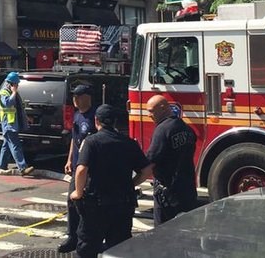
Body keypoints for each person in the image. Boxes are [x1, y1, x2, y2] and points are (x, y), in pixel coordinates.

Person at [69, 104, 153, 257]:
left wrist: (78, 192)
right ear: (115, 121)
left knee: (88, 247)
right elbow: (147, 170)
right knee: (119, 249)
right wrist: (131, 184)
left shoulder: (91, 142)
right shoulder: (129, 143)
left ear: (96, 121)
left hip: (96, 206)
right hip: (123, 204)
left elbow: (81, 170)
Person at [145, 94, 198, 226]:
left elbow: (150, 161)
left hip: (167, 194)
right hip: (188, 190)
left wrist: (132, 182)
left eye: (151, 111)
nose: (149, 115)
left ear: (163, 108)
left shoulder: (162, 130)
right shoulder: (187, 128)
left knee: (162, 233)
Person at [58, 84, 98, 254]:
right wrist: (69, 159)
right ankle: (72, 237)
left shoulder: (95, 117)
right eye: (74, 96)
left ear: (87, 97)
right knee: (72, 201)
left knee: (85, 204)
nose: (75, 99)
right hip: (77, 166)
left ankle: (86, 238)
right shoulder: (77, 116)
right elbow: (75, 139)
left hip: (90, 169)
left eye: (78, 96)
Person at [0, 72, 34, 176]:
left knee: (6, 146)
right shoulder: (4, 93)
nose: (17, 86)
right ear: (11, 84)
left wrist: (26, 118)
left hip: (12, 124)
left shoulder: (12, 92)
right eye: (16, 84)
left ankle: (2, 166)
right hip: (8, 124)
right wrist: (13, 92)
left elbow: (18, 108)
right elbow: (8, 104)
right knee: (15, 145)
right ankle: (23, 168)